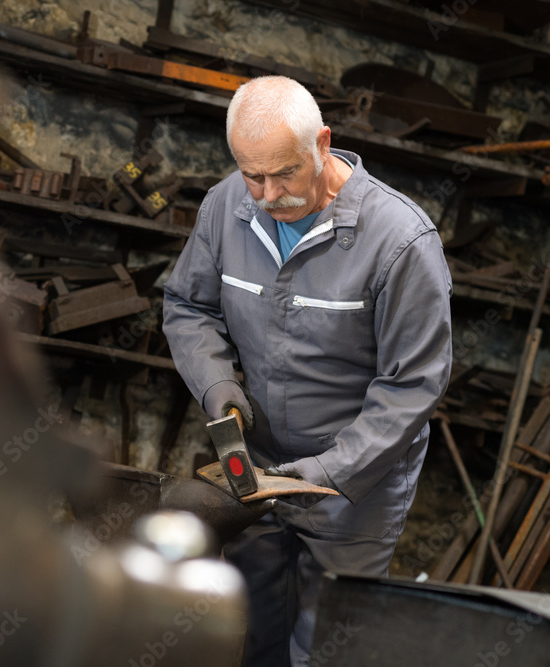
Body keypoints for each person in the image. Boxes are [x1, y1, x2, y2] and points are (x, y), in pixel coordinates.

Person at [162, 76, 452, 666]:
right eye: (252, 174)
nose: (267, 195)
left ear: (323, 142)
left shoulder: (400, 241)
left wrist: (326, 470)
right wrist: (219, 387)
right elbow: (188, 307)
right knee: (248, 634)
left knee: (325, 647)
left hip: (356, 487)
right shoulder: (226, 207)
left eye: (285, 173)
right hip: (257, 474)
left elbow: (412, 384)